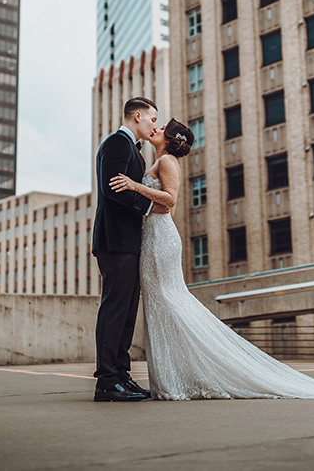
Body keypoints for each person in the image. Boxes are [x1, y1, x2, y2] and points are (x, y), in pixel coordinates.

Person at [110, 118, 314, 400]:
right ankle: (174, 377)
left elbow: (170, 200)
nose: (155, 129)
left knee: (170, 302)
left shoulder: (168, 161)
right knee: (162, 306)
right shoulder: (161, 159)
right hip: (153, 238)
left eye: (161, 129)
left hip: (161, 241)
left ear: (169, 140)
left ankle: (186, 375)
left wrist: (134, 185)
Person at [92, 97, 169, 402]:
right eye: (153, 119)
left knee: (125, 313)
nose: (154, 125)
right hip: (115, 241)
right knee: (115, 310)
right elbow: (112, 189)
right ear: (138, 116)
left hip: (128, 242)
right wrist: (149, 205)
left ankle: (121, 376)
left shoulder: (131, 149)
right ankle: (107, 382)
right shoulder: (117, 143)